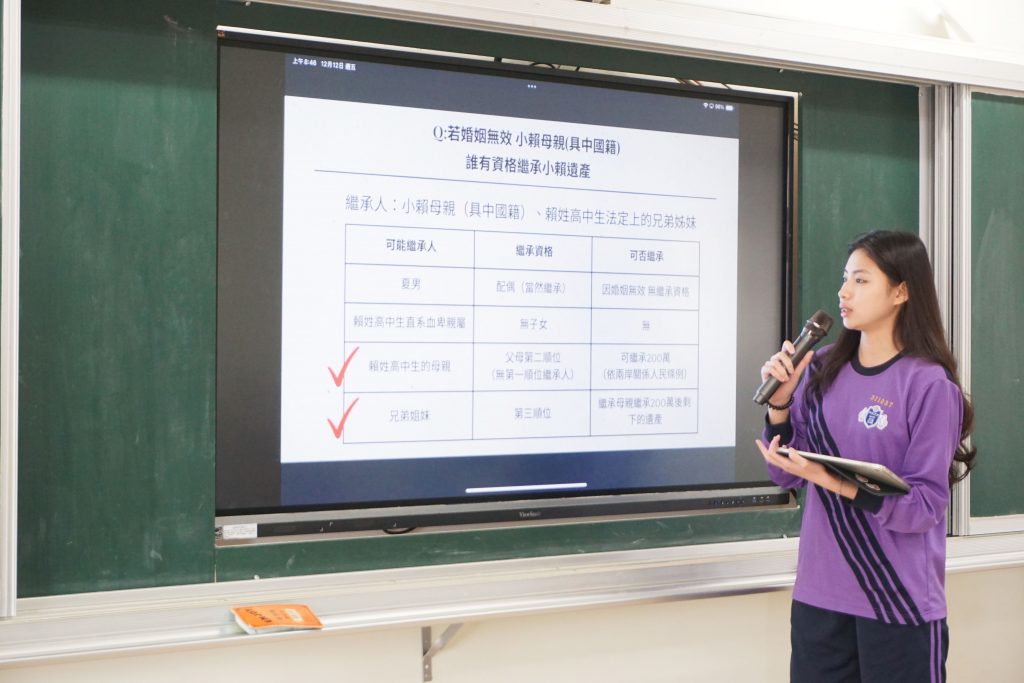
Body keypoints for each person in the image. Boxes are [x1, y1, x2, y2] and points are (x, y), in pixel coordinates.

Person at [755, 230, 976, 683]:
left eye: (860, 280)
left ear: (901, 291)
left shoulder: (929, 385)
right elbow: (786, 478)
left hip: (896, 599)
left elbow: (924, 507)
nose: (844, 292)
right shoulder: (820, 367)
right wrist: (780, 405)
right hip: (819, 597)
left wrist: (833, 480)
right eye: (844, 279)